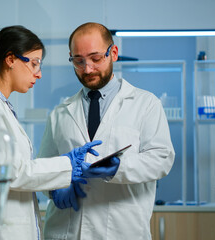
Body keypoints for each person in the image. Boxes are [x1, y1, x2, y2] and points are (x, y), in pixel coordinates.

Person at [0, 25, 102, 240]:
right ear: (10, 59)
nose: (38, 74)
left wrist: (65, 166)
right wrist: (67, 164)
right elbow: (11, 172)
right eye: (34, 63)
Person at [38, 22, 175, 240]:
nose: (88, 68)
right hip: (67, 230)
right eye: (78, 60)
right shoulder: (60, 112)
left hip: (122, 231)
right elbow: (43, 166)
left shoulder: (146, 104)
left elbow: (162, 159)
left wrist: (118, 168)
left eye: (95, 58)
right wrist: (54, 190)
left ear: (114, 53)